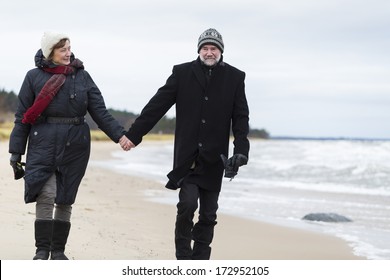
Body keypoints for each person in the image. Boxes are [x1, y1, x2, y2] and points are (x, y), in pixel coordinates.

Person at [119, 28, 250, 260]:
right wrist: (134, 134)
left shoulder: (235, 78)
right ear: (199, 50)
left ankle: (200, 261)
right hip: (188, 157)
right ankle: (183, 258)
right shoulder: (182, 73)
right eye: (205, 48)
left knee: (209, 214)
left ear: (221, 51)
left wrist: (241, 151)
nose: (209, 52)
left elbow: (241, 118)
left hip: (215, 159)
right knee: (187, 205)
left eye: (214, 48)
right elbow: (157, 105)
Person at [9, 32, 127, 260]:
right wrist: (16, 150)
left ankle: (58, 252)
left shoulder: (82, 77)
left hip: (76, 144)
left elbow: (100, 112)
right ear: (50, 52)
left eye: (69, 48)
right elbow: (22, 115)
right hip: (42, 140)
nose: (68, 53)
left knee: (65, 196)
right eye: (62, 49)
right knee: (46, 192)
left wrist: (120, 136)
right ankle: (42, 250)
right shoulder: (33, 77)